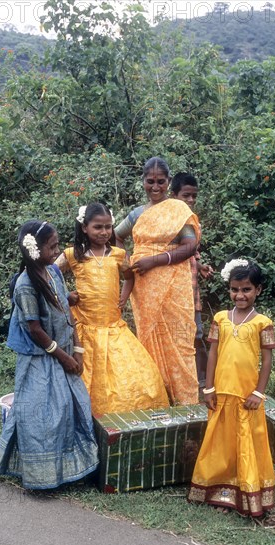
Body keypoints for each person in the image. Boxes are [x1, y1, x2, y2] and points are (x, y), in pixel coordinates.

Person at [0, 220, 99, 490]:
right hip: (40, 360)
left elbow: (66, 314)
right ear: (35, 250)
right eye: (52, 247)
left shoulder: (54, 273)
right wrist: (63, 356)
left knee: (75, 408)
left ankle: (76, 470)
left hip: (64, 352)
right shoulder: (26, 285)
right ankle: (42, 475)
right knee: (41, 417)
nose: (57, 251)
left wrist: (78, 350)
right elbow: (35, 329)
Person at [55, 202, 169, 416]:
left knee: (135, 378)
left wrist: (123, 297)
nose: (104, 232)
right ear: (84, 227)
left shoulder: (117, 254)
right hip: (85, 329)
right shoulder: (73, 255)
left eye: (108, 227)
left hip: (114, 327)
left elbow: (130, 276)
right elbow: (50, 275)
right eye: (98, 227)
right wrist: (66, 296)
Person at [188, 259, 275, 516]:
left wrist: (258, 393)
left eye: (246, 289)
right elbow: (213, 354)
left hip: (246, 395)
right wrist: (209, 388)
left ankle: (245, 492)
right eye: (235, 289)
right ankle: (217, 490)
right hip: (222, 393)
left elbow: (267, 361)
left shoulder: (263, 323)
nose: (240, 295)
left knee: (246, 443)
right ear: (229, 289)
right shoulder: (220, 319)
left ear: (257, 290)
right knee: (220, 443)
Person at [114, 157, 200, 405]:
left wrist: (156, 260)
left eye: (160, 181)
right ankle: (158, 401)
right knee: (149, 341)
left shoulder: (178, 210)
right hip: (144, 288)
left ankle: (186, 405)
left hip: (174, 284)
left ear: (168, 182)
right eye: (150, 181)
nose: (155, 186)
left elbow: (190, 246)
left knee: (180, 343)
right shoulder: (137, 214)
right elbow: (115, 236)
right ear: (143, 182)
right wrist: (126, 262)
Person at [170, 172, 214, 389]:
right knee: (175, 333)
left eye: (193, 196)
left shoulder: (192, 222)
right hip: (173, 290)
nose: (190, 200)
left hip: (191, 289)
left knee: (195, 332)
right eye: (186, 195)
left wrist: (201, 265)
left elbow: (191, 253)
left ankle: (202, 380)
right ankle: (180, 380)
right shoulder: (167, 221)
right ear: (174, 195)